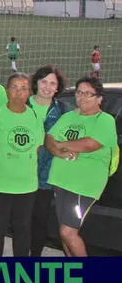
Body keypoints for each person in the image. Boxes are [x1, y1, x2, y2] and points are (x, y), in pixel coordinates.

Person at [45, 76, 117, 257]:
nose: (82, 97)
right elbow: (49, 139)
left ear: (99, 98)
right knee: (64, 232)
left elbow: (90, 144)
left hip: (83, 185)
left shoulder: (105, 120)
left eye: (88, 94)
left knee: (68, 232)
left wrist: (62, 144)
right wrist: (58, 151)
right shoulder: (68, 116)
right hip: (60, 180)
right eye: (79, 92)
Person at [0, 73, 43, 257]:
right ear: (7, 90)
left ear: (29, 92)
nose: (19, 93)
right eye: (14, 88)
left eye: (23, 88)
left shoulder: (34, 114)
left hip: (26, 185)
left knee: (23, 229)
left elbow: (37, 147)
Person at [28, 65, 68, 256]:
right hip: (19, 172)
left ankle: (33, 258)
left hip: (46, 175)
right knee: (20, 220)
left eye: (52, 83)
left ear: (58, 87)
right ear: (36, 82)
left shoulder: (62, 110)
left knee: (39, 219)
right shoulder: (22, 104)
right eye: (44, 81)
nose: (47, 86)